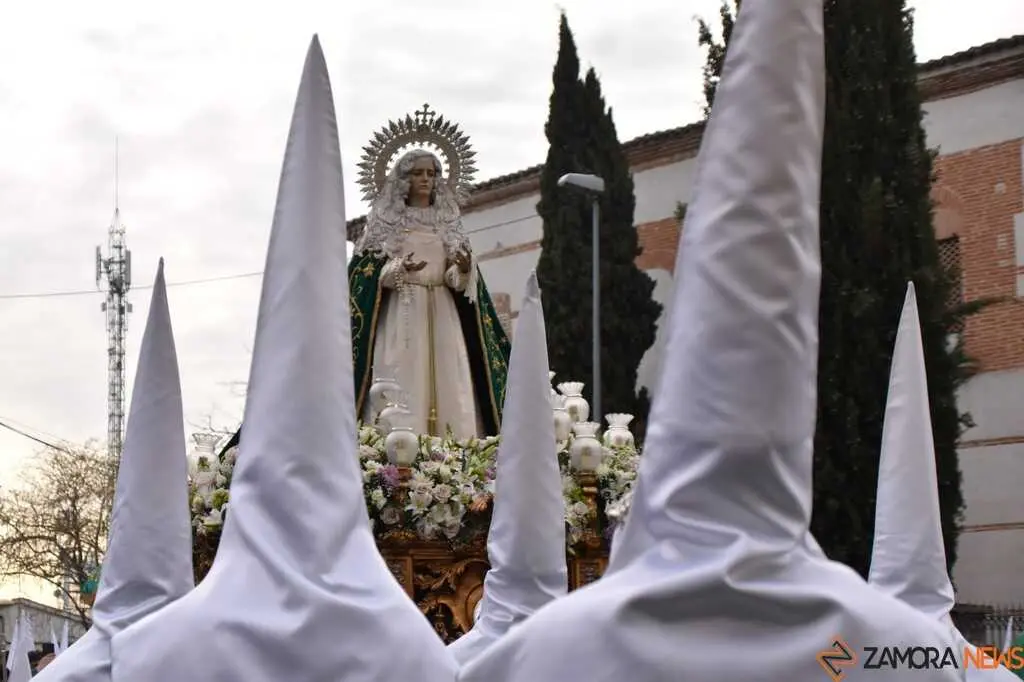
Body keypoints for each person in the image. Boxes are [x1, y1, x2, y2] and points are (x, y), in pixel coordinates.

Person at [349, 140, 509, 439]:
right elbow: (365, 279)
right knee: (404, 375)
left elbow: (455, 281)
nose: (426, 179)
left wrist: (462, 270)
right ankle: (395, 450)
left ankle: (453, 455)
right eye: (418, 173)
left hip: (443, 312)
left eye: (432, 173)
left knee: (452, 378)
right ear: (403, 180)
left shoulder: (447, 224)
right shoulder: (385, 224)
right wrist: (397, 270)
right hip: (403, 311)